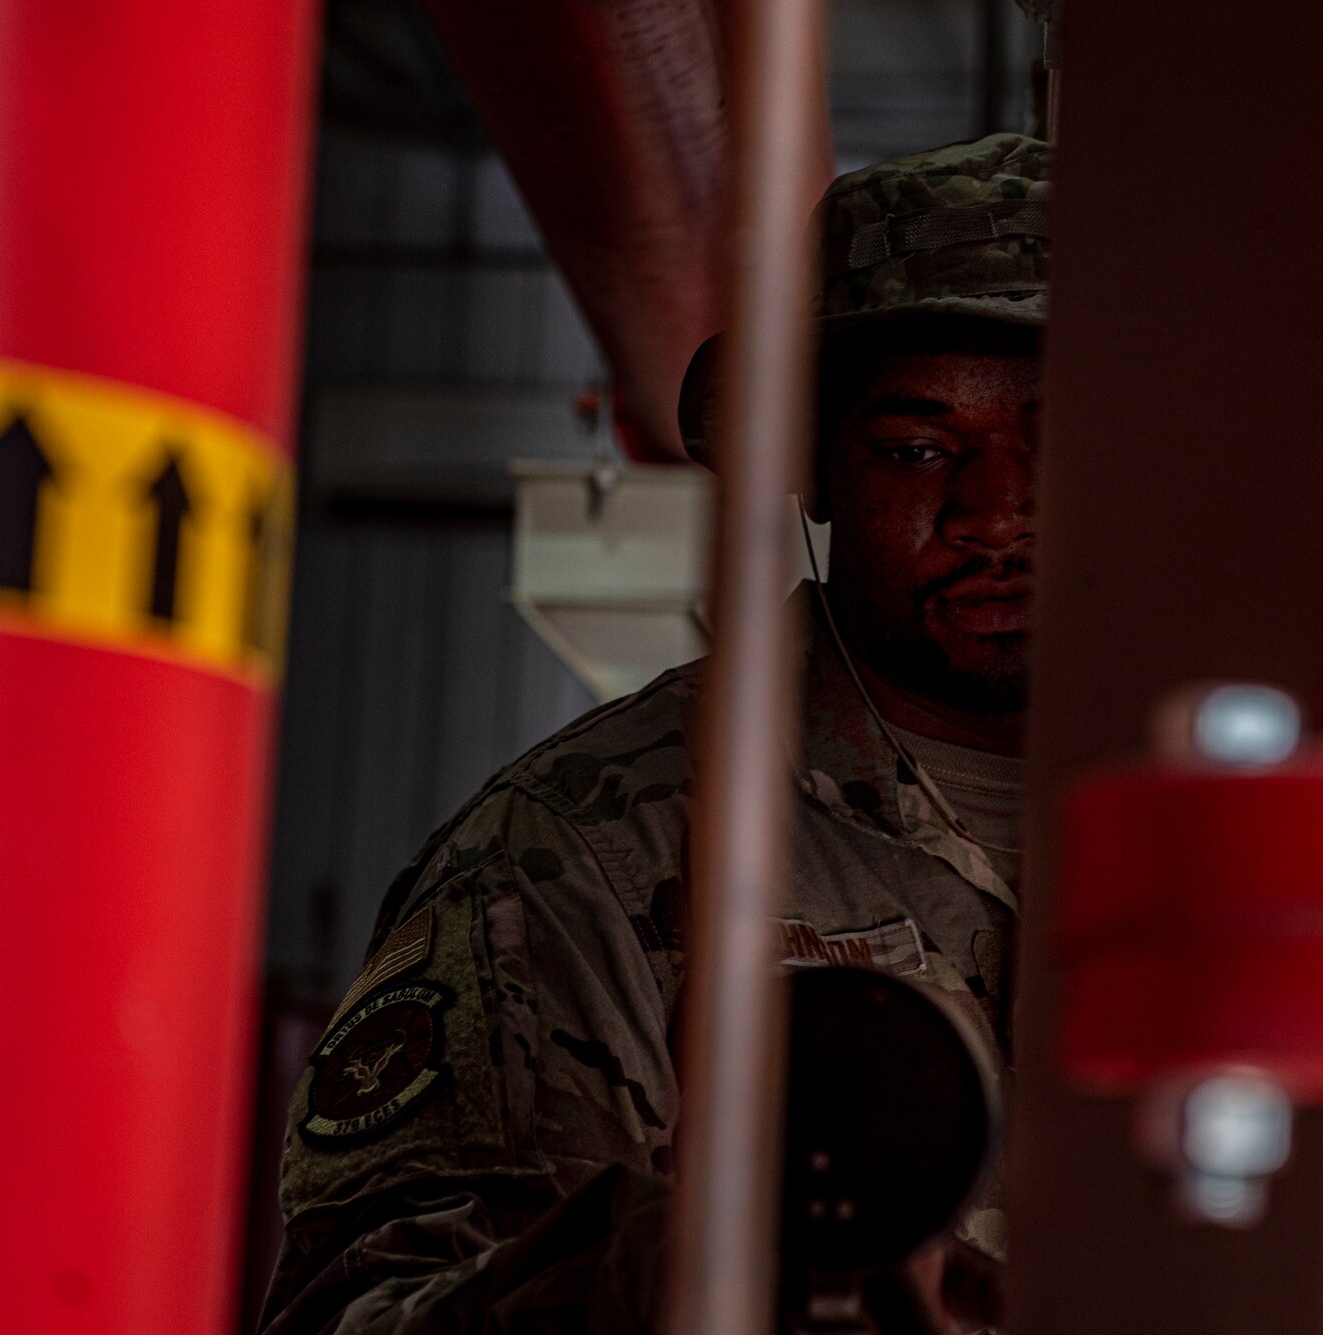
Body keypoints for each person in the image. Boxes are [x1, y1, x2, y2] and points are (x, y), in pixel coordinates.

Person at [261, 132, 1049, 1334]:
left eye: (1056, 438)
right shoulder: (586, 852)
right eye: (916, 450)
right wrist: (681, 1281)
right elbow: (364, 1315)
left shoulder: (1249, 830)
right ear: (813, 471)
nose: (994, 515)